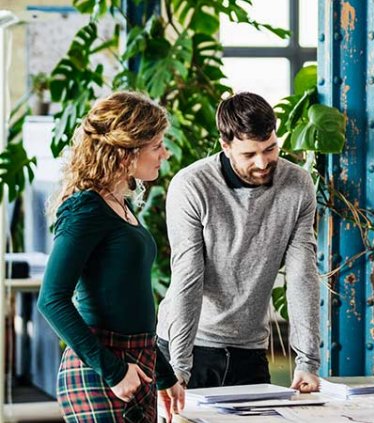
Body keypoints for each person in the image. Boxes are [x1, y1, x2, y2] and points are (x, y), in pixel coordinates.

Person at [156, 92, 320, 392]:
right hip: (189, 344)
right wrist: (179, 365)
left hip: (250, 349)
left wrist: (307, 361)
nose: (262, 162)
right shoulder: (192, 185)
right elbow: (188, 277)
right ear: (225, 146)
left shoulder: (297, 185)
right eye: (249, 154)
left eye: (270, 149)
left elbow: (302, 274)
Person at [37, 91, 184, 422]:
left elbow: (130, 302)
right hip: (101, 369)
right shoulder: (85, 208)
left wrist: (164, 373)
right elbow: (51, 300)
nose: (165, 153)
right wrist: (114, 371)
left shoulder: (120, 204)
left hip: (137, 363)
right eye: (156, 145)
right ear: (126, 153)